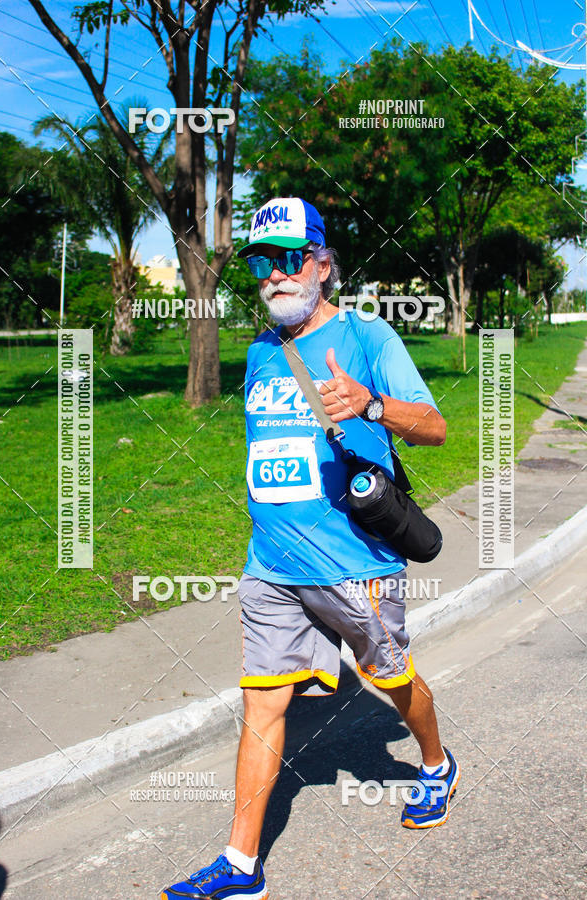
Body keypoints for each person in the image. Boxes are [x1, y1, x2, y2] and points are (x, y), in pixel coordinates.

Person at [161, 198, 459, 900]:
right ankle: (240, 867)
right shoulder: (261, 351)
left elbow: (436, 428)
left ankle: (437, 763)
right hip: (270, 567)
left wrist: (372, 405)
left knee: (391, 681)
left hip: (355, 565)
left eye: (290, 258)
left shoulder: (369, 338)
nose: (274, 275)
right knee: (263, 705)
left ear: (323, 264)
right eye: (262, 263)